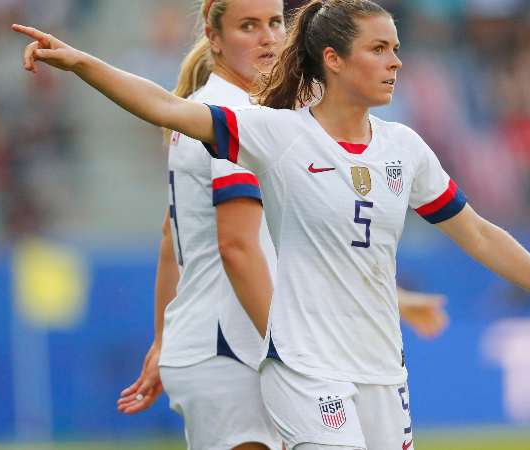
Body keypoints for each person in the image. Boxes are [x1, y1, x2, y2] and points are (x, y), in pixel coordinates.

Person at [13, 1, 530, 448]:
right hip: (305, 368)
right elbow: (168, 108)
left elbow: (480, 233)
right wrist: (79, 63)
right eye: (379, 50)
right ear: (332, 60)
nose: (395, 64)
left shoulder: (404, 149)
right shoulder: (277, 135)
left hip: (382, 367)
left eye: (397, 49)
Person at [105, 1, 448, 449]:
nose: (268, 37)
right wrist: (296, 359)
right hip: (233, 347)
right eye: (248, 26)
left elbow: (176, 236)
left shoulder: (216, 109)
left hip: (215, 344)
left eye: (273, 23)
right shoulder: (236, 115)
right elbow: (237, 247)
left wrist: (166, 338)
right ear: (214, 37)